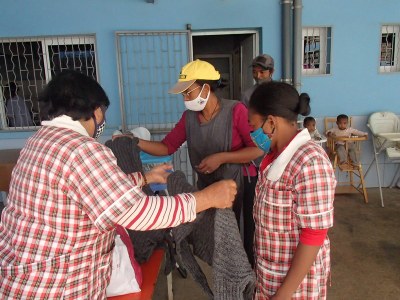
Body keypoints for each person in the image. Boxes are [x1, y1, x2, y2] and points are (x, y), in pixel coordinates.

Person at [0, 70, 237, 299]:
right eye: (102, 111)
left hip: (23, 282)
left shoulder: (38, 142)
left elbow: (92, 191)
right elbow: (137, 213)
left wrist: (144, 178)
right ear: (94, 110)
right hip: (57, 287)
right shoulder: (83, 150)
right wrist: (205, 198)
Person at [136, 59, 263, 234]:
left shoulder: (236, 110)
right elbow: (167, 147)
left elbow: (256, 150)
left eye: (188, 92)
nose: (185, 98)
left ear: (206, 89)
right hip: (206, 185)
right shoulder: (189, 118)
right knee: (210, 234)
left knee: (236, 235)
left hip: (238, 185)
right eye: (183, 94)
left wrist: (221, 157)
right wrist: (136, 142)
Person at [248, 81, 336, 299]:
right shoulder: (273, 157)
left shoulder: (310, 162)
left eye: (253, 126)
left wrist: (282, 295)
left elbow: (314, 234)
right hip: (270, 274)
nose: (252, 133)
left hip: (295, 287)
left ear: (270, 122)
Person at [240, 54, 274, 267]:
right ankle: (250, 261)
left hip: (276, 160)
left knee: (272, 214)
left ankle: (269, 257)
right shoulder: (247, 95)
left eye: (262, 71)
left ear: (271, 72)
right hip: (254, 164)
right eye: (255, 70)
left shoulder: (279, 94)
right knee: (252, 215)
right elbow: (246, 127)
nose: (258, 74)